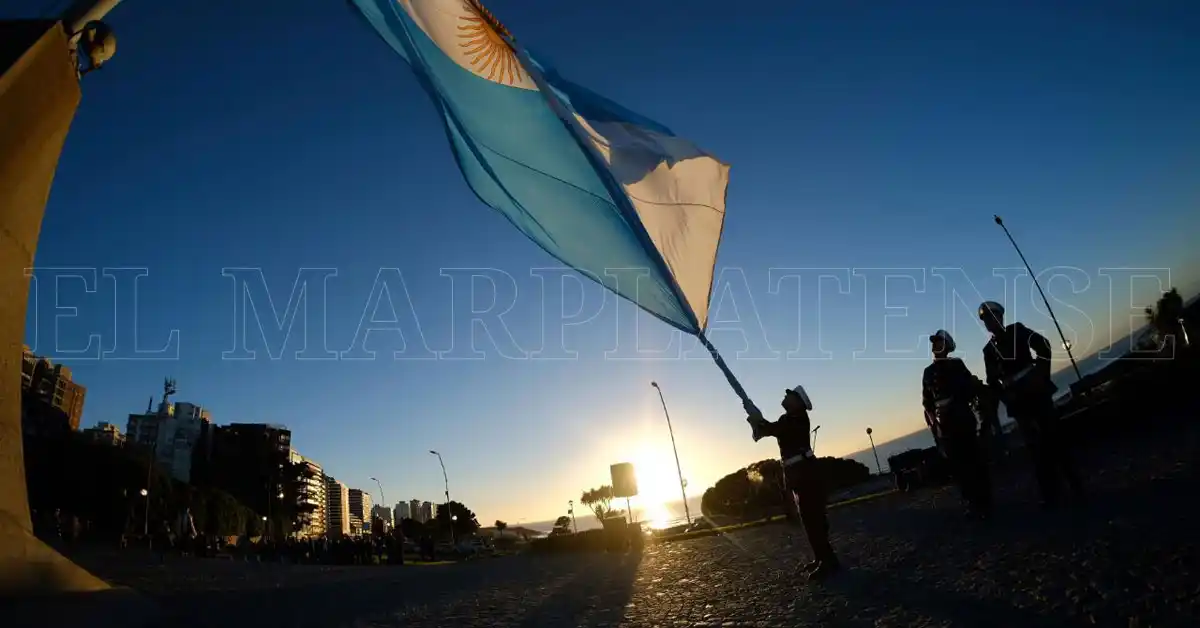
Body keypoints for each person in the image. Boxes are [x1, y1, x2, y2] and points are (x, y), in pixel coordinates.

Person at [978, 301, 1084, 508]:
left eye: (992, 316)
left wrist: (1041, 375)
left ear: (1000, 316)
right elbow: (992, 381)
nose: (990, 321)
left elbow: (1043, 345)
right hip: (1017, 400)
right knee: (1034, 447)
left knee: (1054, 437)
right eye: (986, 319)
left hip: (1036, 392)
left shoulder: (1018, 330)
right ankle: (1051, 493)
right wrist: (1005, 397)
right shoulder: (988, 350)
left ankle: (1074, 484)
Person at [747, 385, 840, 581]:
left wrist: (759, 421)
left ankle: (828, 561)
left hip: (807, 475)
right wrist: (754, 419)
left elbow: (772, 429)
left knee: (814, 519)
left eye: (789, 395)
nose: (785, 396)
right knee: (808, 520)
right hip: (798, 476)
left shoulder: (797, 419)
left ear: (797, 402)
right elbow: (767, 431)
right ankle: (821, 557)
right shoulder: (788, 419)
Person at [922, 329, 993, 519]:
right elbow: (927, 403)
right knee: (958, 466)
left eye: (939, 342)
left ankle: (984, 501)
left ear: (947, 346)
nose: (935, 346)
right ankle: (971, 502)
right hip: (945, 426)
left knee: (974, 460)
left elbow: (969, 388)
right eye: (934, 343)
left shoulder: (957, 365)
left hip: (962, 418)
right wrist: (935, 427)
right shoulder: (928, 372)